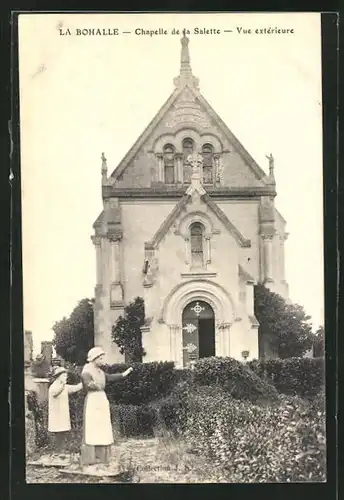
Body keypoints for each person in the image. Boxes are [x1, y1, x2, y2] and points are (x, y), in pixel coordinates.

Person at [80, 346, 133, 467]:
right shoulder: (87, 370)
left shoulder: (100, 371)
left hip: (101, 399)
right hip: (93, 400)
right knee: (92, 427)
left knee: (102, 426)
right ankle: (91, 458)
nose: (103, 361)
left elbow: (109, 377)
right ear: (94, 359)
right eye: (101, 358)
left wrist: (124, 374)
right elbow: (87, 383)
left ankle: (102, 457)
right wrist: (92, 385)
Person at [48, 366, 83, 455]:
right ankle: (58, 451)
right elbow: (55, 393)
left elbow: (75, 388)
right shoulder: (54, 386)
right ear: (58, 376)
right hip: (56, 414)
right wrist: (63, 385)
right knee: (58, 433)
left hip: (62, 413)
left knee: (62, 432)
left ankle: (61, 451)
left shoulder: (64, 386)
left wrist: (84, 382)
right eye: (64, 376)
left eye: (66, 376)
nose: (65, 377)